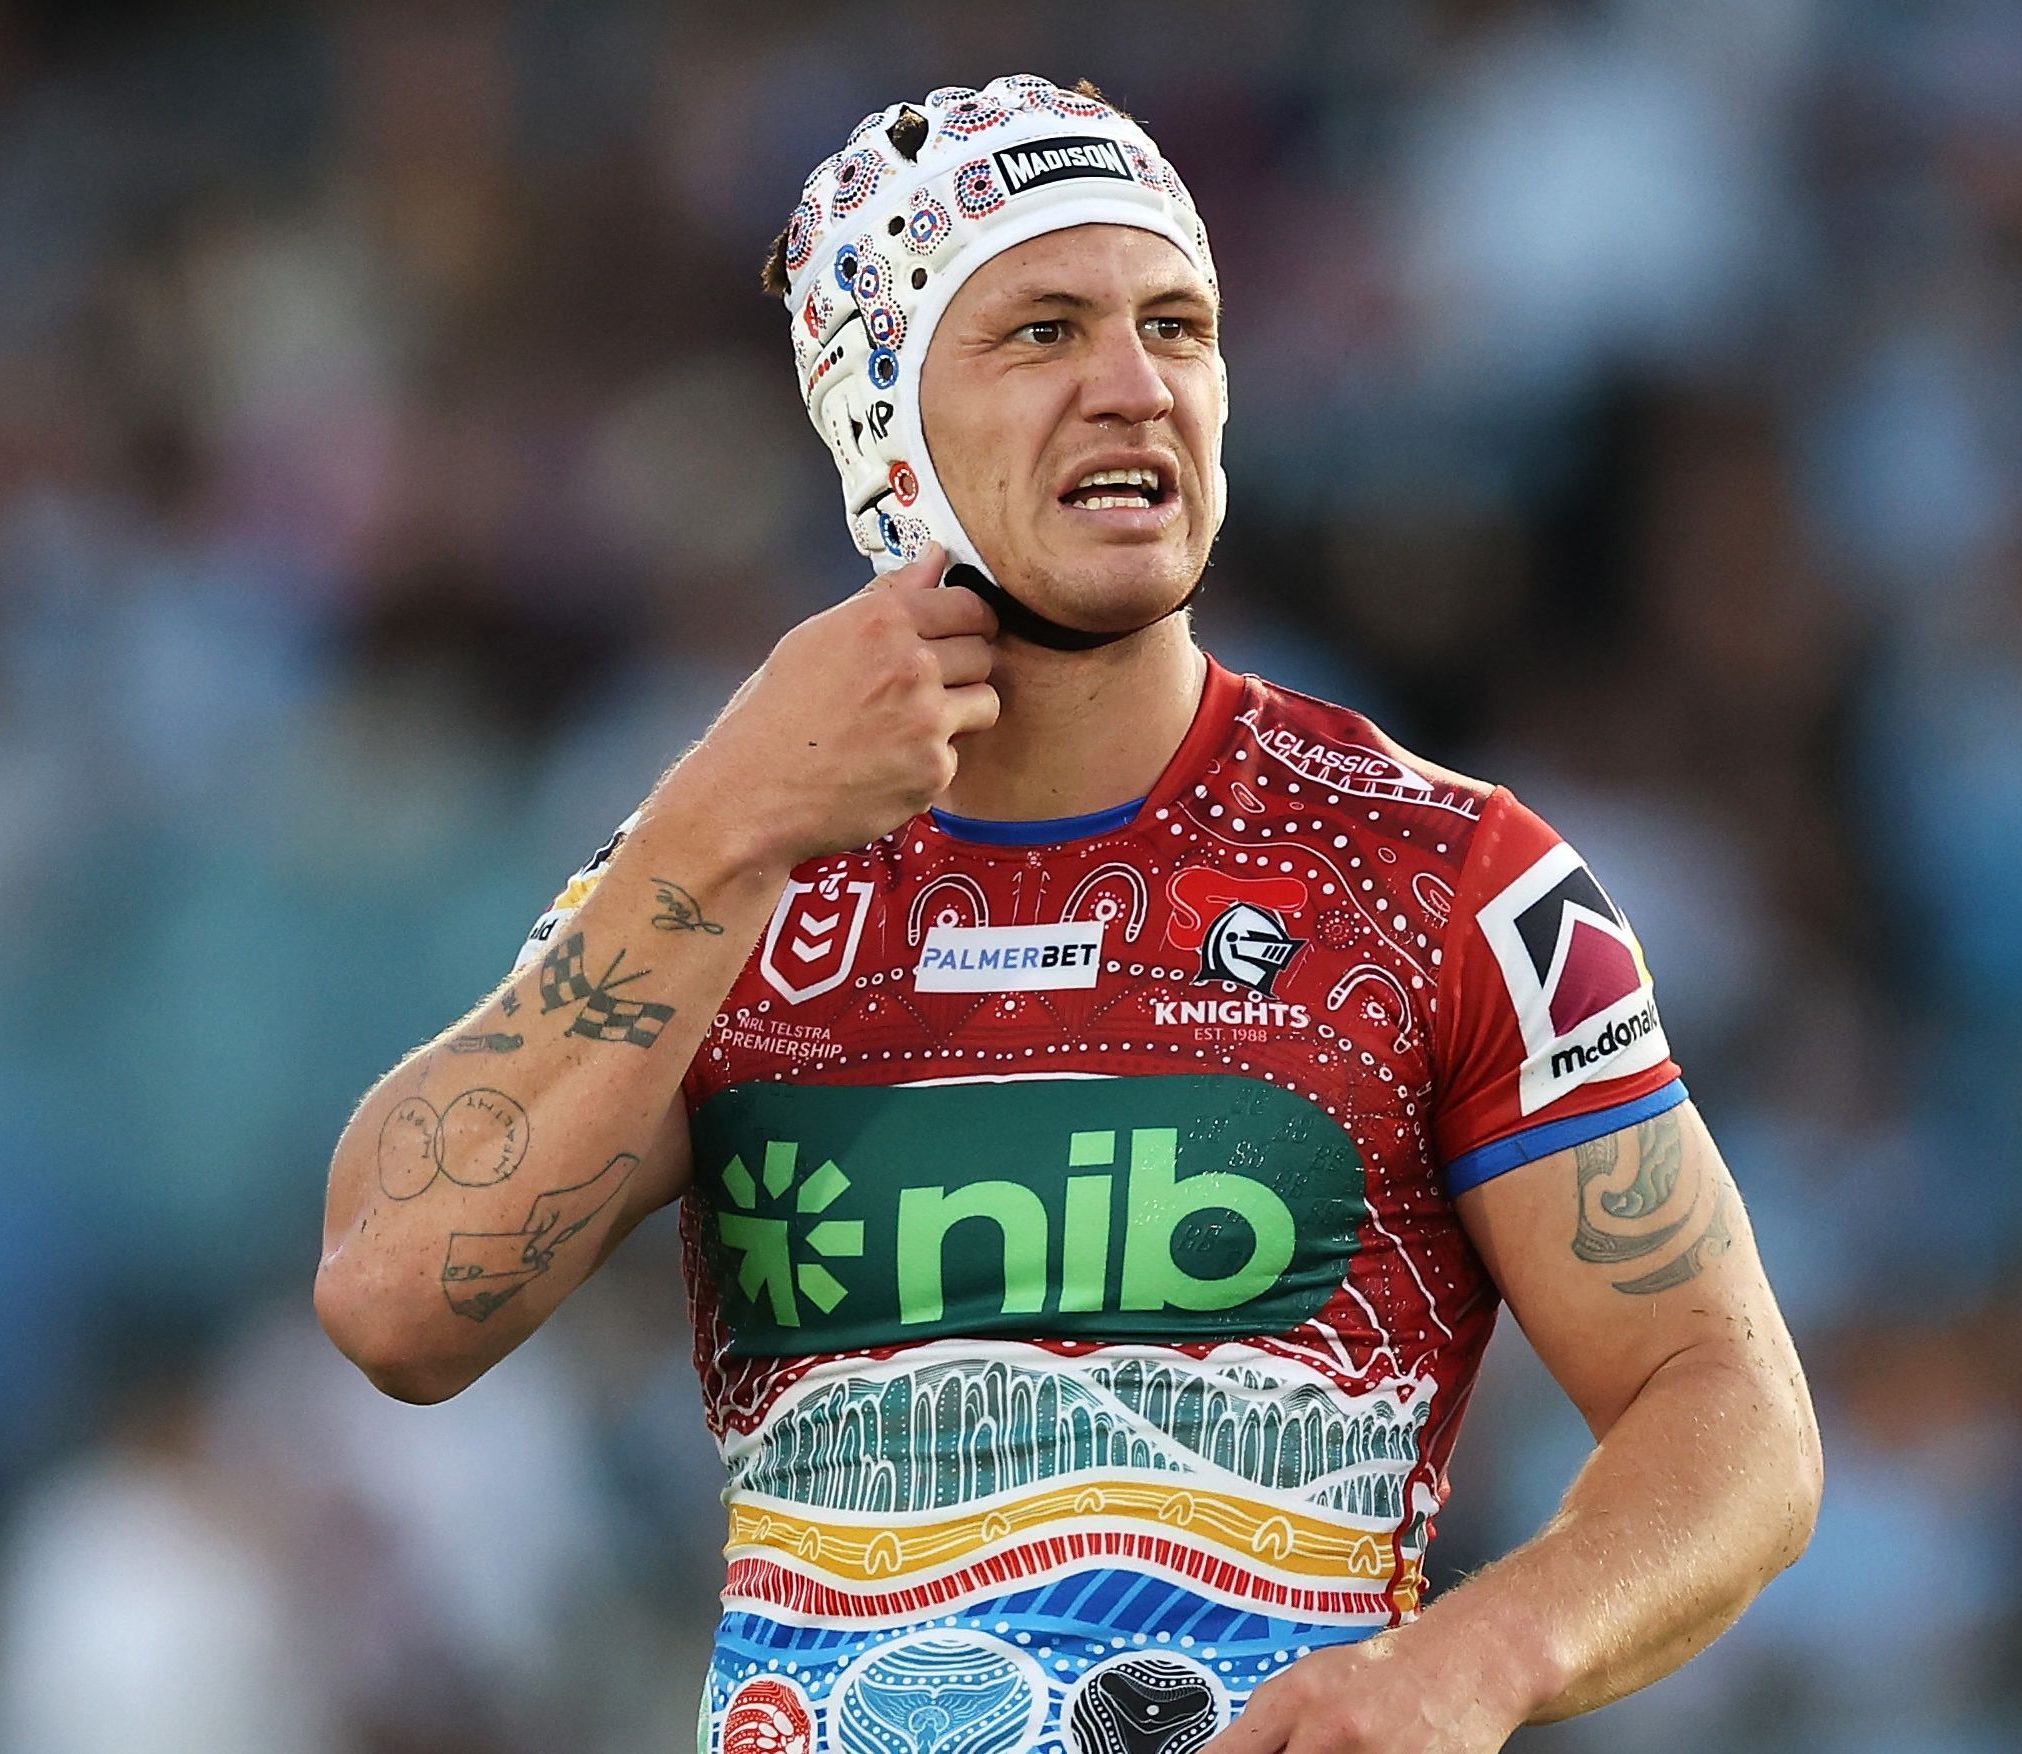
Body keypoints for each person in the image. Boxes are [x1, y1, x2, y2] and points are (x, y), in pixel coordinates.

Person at [315, 75, 1820, 1754]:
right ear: (882, 418)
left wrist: (1480, 1659)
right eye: (1040, 332)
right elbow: (395, 1299)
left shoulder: (1442, 873)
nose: (1134, 385)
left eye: (1177, 323)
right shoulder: (723, 867)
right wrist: (728, 814)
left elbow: (1734, 1410)